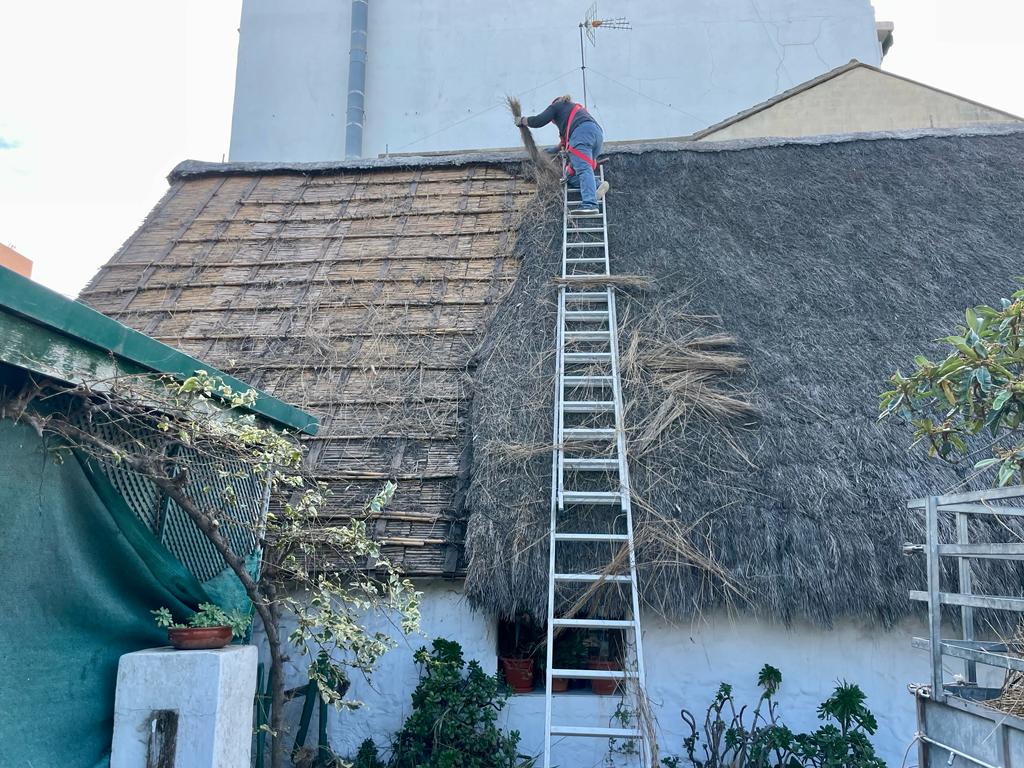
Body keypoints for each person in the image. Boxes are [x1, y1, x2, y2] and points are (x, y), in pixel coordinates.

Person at [517, 95, 609, 214]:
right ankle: (598, 186)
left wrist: (523, 120)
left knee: (583, 169)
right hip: (597, 136)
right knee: (570, 175)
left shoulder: (557, 106)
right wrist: (545, 152)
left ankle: (590, 204)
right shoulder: (575, 114)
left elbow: (538, 120)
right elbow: (561, 145)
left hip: (582, 135)